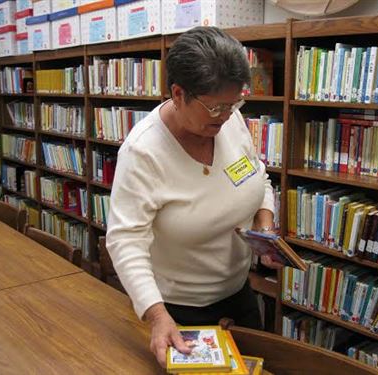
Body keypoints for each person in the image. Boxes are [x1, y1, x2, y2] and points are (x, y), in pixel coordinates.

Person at [106, 26, 282, 369]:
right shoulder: (144, 152)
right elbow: (125, 240)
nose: (228, 115)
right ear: (178, 93)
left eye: (235, 103)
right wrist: (157, 316)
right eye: (216, 107)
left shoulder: (229, 120)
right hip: (177, 312)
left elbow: (257, 175)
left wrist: (265, 225)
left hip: (239, 295)